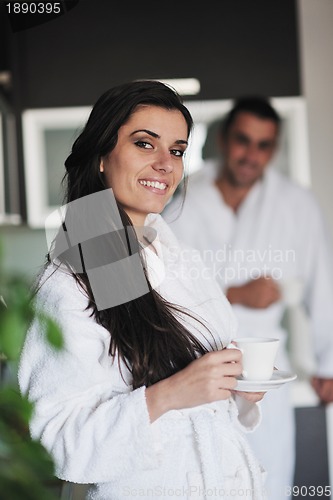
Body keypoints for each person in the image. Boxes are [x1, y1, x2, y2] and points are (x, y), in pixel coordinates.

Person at [18, 81, 268, 500]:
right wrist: (170, 394)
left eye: (176, 150)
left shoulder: (179, 259)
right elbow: (58, 440)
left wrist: (234, 384)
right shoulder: (78, 275)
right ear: (101, 156)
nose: (166, 164)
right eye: (144, 144)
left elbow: (194, 380)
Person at [163, 96, 333, 499]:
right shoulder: (182, 197)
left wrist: (329, 362)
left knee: (267, 480)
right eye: (243, 140)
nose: (251, 155)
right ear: (224, 138)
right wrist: (234, 292)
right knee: (201, 482)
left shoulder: (296, 205)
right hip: (191, 365)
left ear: (274, 149)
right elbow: (161, 285)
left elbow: (321, 283)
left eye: (263, 145)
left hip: (264, 370)